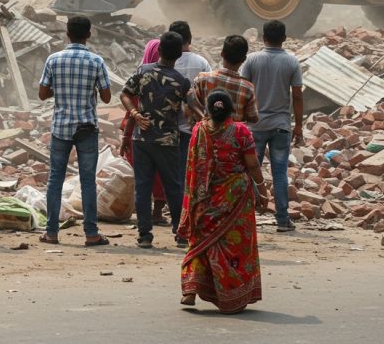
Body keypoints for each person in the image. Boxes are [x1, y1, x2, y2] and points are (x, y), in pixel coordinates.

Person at [179, 89, 268, 313]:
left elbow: (192, 166)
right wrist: (262, 189)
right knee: (235, 246)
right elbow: (253, 165)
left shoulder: (199, 130)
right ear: (232, 110)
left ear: (208, 110)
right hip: (234, 198)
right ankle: (231, 294)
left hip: (203, 199)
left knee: (200, 244)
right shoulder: (240, 131)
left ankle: (190, 290)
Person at [38, 15, 111, 247]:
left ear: (66, 34)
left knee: (55, 179)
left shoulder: (54, 59)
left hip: (61, 127)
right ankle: (91, 234)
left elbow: (42, 94)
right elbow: (107, 96)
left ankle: (51, 233)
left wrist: (59, 89)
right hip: (87, 126)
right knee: (88, 181)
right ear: (88, 35)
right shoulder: (96, 61)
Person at [120, 31, 193, 248]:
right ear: (179, 54)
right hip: (168, 141)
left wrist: (135, 114)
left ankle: (144, 235)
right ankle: (180, 235)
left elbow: (124, 94)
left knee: (143, 187)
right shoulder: (181, 81)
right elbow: (190, 110)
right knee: (174, 187)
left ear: (158, 50)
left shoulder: (143, 72)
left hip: (141, 140)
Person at [240, 20, 304, 232]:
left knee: (250, 172)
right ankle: (283, 219)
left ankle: (247, 217)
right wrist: (298, 126)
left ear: (263, 38)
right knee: (279, 173)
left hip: (254, 126)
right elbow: (297, 96)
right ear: (284, 39)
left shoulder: (251, 60)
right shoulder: (292, 62)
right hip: (281, 126)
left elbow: (243, 92)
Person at [190, 35, 258, 124]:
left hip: (205, 136)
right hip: (232, 137)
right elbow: (253, 118)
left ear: (222, 53)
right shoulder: (247, 88)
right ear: (244, 59)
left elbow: (191, 103)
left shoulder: (202, 78)